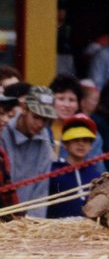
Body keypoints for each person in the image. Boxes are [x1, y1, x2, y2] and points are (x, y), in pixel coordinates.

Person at [0, 86, 57, 216]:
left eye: (45, 119)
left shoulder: (45, 139)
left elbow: (41, 190)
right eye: (36, 117)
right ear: (24, 109)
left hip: (27, 222)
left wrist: (33, 224)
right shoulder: (3, 131)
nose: (40, 124)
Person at [48, 114, 104, 218]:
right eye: (75, 140)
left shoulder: (97, 176)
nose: (81, 144)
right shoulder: (53, 172)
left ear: (91, 146)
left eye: (86, 140)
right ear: (65, 144)